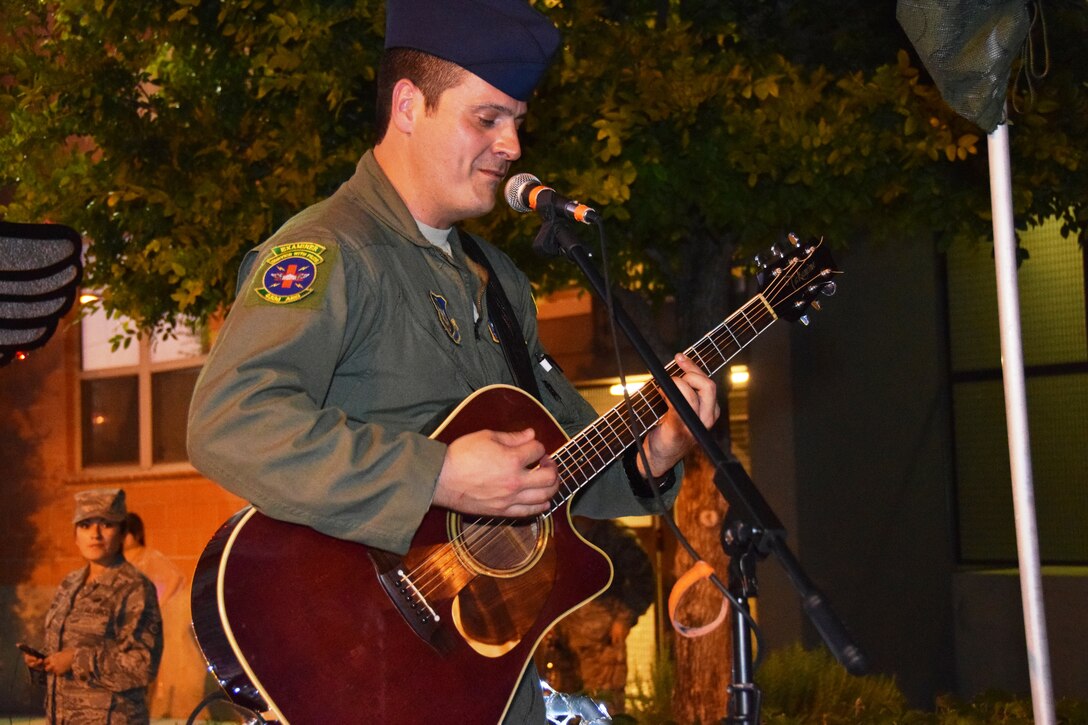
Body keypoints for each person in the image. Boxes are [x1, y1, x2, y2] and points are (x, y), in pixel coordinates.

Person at [185, 0, 719, 722]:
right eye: (488, 118)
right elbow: (230, 421)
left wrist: (651, 455)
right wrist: (436, 474)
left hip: (486, 683)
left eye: (518, 122)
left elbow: (558, 466)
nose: (513, 146)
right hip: (363, 669)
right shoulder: (329, 251)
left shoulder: (499, 281)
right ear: (409, 105)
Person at [20, 489, 163, 724]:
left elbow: (143, 665)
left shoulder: (134, 588)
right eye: (85, 525)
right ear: (75, 535)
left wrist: (76, 660)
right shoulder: (69, 584)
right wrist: (43, 661)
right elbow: (63, 651)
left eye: (106, 524)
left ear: (122, 532)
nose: (95, 534)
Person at [536, 518, 655, 715]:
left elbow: (643, 579)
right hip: (564, 635)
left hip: (603, 637)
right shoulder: (555, 533)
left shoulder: (613, 537)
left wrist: (624, 618)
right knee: (563, 705)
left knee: (603, 704)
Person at [123, 513, 208, 719]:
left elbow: (175, 577)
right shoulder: (118, 562)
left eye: (125, 533)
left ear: (135, 534)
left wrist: (156, 606)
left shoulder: (148, 556)